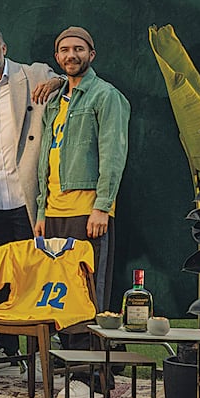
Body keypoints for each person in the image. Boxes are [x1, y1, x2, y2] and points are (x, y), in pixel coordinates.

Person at [0, 23, 63, 362]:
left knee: (32, 272)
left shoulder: (32, 74)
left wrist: (56, 82)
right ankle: (6, 350)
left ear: (4, 48)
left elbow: (64, 80)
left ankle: (41, 350)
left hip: (26, 197)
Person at [36, 26, 130, 313]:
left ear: (91, 54)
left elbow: (113, 154)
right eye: (64, 50)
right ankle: (63, 356)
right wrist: (42, 211)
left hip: (87, 211)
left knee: (88, 290)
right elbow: (45, 160)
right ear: (57, 57)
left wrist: (102, 206)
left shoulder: (106, 95)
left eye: (78, 49)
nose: (71, 55)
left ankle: (89, 357)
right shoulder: (54, 101)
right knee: (60, 290)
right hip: (53, 212)